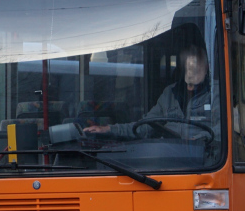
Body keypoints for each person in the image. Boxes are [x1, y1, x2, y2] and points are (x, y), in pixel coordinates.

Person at [85, 46, 218, 141]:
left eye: (196, 65)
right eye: (188, 65)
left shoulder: (215, 94)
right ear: (182, 67)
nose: (192, 70)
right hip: (172, 159)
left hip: (206, 161)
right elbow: (145, 126)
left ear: (207, 66)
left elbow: (226, 130)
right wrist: (108, 129)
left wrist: (201, 139)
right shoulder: (170, 94)